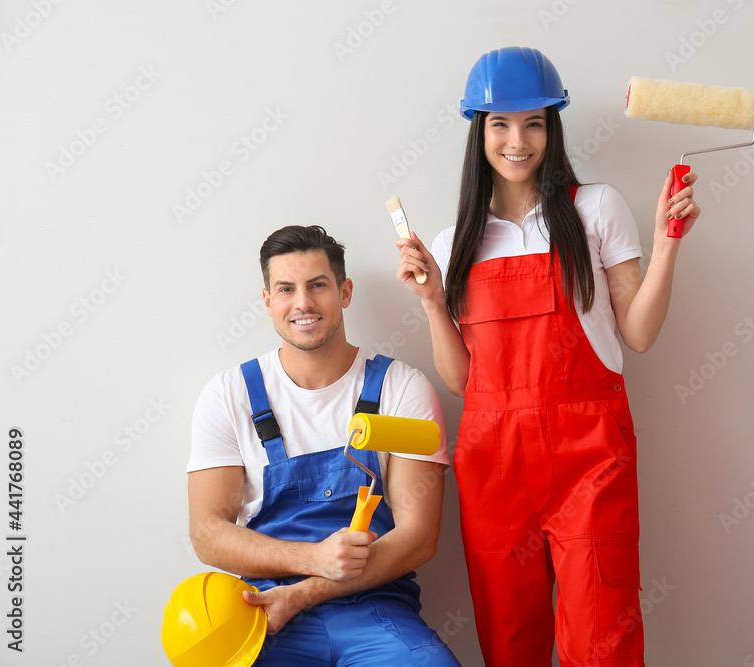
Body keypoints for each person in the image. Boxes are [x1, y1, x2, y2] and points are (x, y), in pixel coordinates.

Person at [394, 47, 701, 666]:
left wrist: (668, 245)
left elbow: (637, 334)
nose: (518, 140)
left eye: (534, 122)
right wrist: (431, 302)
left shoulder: (596, 207)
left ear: (552, 127)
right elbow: (461, 381)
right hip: (493, 464)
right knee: (510, 644)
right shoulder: (458, 241)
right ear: (479, 130)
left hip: (589, 456)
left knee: (602, 640)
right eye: (500, 124)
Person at [188, 225, 461, 666]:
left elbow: (418, 538)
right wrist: (314, 558)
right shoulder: (229, 394)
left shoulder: (401, 387)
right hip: (266, 612)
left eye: (318, 285)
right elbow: (207, 534)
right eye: (286, 289)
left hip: (375, 606)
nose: (303, 303)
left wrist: (306, 591)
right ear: (267, 302)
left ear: (345, 291)